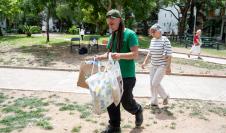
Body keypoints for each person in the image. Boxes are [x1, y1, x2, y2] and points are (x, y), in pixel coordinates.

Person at [96, 9, 143, 133]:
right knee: (111, 100)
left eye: (112, 23)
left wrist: (120, 55)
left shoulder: (130, 34)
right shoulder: (113, 36)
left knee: (126, 103)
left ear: (119, 20)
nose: (110, 26)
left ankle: (137, 109)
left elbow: (135, 54)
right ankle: (114, 127)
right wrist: (100, 57)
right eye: (109, 24)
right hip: (113, 75)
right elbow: (110, 54)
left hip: (127, 76)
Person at [141, 24, 172, 107]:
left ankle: (165, 96)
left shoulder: (165, 40)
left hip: (161, 65)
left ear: (159, 31)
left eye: (153, 31)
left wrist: (168, 67)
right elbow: (150, 52)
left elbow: (169, 54)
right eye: (151, 32)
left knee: (155, 83)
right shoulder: (152, 40)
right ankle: (154, 101)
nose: (152, 33)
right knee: (152, 84)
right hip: (153, 64)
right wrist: (144, 62)